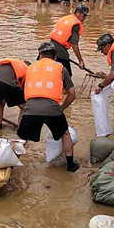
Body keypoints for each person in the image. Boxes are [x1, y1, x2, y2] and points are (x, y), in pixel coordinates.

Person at [17, 42, 78, 172]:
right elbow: (72, 94)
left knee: (22, 138)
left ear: (39, 56)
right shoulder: (60, 67)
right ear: (55, 56)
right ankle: (71, 166)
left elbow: (23, 90)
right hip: (53, 109)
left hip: (31, 108)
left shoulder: (30, 68)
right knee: (65, 133)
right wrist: (61, 108)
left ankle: (11, 164)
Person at [50, 4, 89, 76]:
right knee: (67, 75)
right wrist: (80, 61)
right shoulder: (75, 25)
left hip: (50, 46)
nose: (84, 18)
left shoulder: (66, 18)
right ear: (77, 13)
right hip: (60, 50)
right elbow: (74, 45)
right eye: (84, 16)